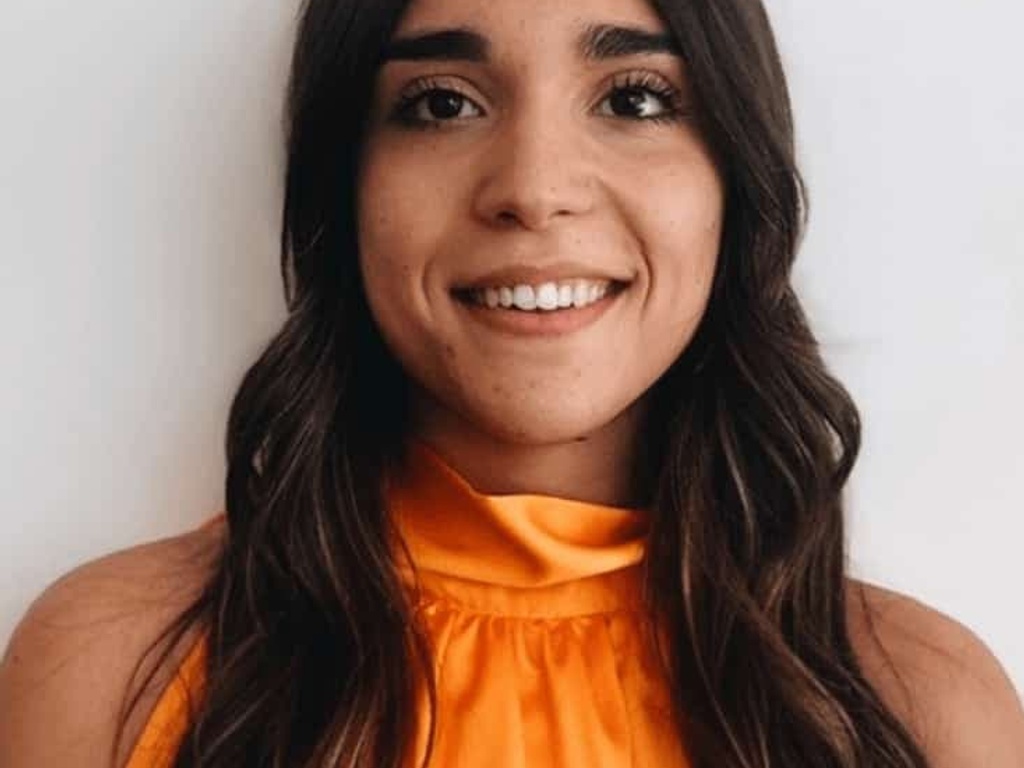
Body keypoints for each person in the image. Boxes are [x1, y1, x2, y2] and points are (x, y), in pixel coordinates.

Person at [1, 0, 1022, 765]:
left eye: (636, 98)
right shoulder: (118, 665)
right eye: (441, 104)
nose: (533, 188)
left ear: (735, 184)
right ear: (341, 187)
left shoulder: (923, 705)